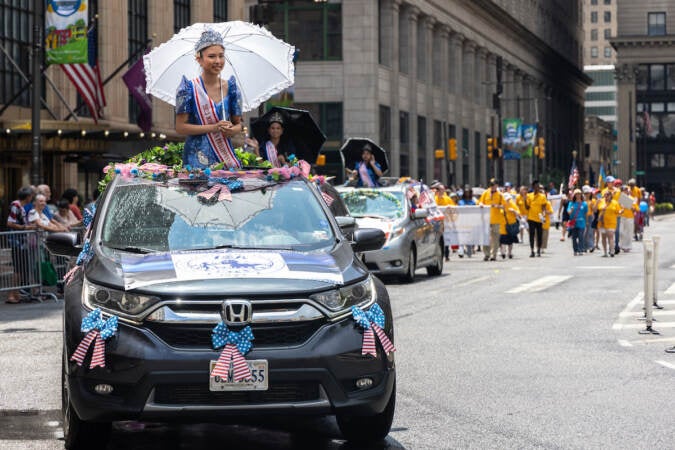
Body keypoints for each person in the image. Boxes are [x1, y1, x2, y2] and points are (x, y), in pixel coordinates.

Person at [175, 29, 243, 169]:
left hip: (225, 158)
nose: (218, 61)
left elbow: (239, 124)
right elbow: (180, 127)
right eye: (212, 56)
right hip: (196, 159)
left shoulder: (231, 88)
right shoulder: (188, 89)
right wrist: (214, 127)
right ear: (199, 59)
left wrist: (232, 130)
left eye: (221, 56)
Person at [5, 186, 37, 303]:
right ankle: (11, 295)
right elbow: (10, 222)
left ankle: (16, 293)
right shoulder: (16, 205)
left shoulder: (21, 207)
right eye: (31, 196)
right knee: (18, 269)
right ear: (28, 197)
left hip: (22, 242)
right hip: (17, 242)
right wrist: (25, 227)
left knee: (21, 268)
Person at [478, 178, 504, 261]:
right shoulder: (485, 193)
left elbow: (504, 206)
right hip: (486, 219)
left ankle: (494, 254)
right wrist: (481, 204)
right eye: (491, 185)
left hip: (496, 219)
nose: (492, 186)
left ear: (497, 185)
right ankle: (486, 254)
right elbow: (479, 202)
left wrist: (497, 206)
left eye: (494, 185)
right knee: (485, 237)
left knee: (495, 237)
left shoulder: (500, 194)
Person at [525, 180, 547, 257]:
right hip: (531, 218)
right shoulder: (529, 195)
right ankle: (532, 250)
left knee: (539, 234)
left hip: (539, 218)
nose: (538, 188)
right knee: (531, 234)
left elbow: (544, 207)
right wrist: (525, 200)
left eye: (539, 186)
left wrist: (544, 215)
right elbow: (527, 207)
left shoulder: (542, 196)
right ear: (533, 187)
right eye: (536, 186)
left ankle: (538, 249)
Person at [597, 190, 622, 257]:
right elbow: (598, 208)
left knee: (611, 236)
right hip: (602, 222)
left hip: (611, 222)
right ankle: (605, 252)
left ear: (611, 196)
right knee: (603, 237)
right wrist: (602, 207)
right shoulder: (602, 201)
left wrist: (620, 211)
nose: (607, 196)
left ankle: (612, 251)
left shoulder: (615, 203)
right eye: (605, 194)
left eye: (608, 194)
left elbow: (618, 211)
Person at [566, 189, 588, 256]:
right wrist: (571, 210)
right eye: (576, 194)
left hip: (581, 222)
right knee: (574, 237)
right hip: (573, 222)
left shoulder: (584, 204)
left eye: (579, 194)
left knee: (581, 236)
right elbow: (569, 212)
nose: (578, 195)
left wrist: (586, 222)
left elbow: (586, 214)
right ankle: (575, 250)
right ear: (574, 195)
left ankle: (580, 249)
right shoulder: (571, 203)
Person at [499, 193, 520, 259]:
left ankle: (510, 253)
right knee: (503, 240)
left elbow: (518, 213)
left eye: (508, 199)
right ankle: (503, 252)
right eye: (506, 199)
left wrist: (514, 211)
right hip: (503, 225)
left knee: (510, 240)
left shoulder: (512, 204)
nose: (507, 200)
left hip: (511, 225)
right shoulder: (501, 205)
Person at [457, 188, 476, 258]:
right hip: (462, 221)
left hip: (470, 221)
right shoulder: (460, 202)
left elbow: (475, 211)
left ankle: (469, 250)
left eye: (468, 192)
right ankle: (461, 251)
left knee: (469, 236)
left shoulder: (473, 202)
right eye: (466, 192)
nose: (467, 194)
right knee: (461, 236)